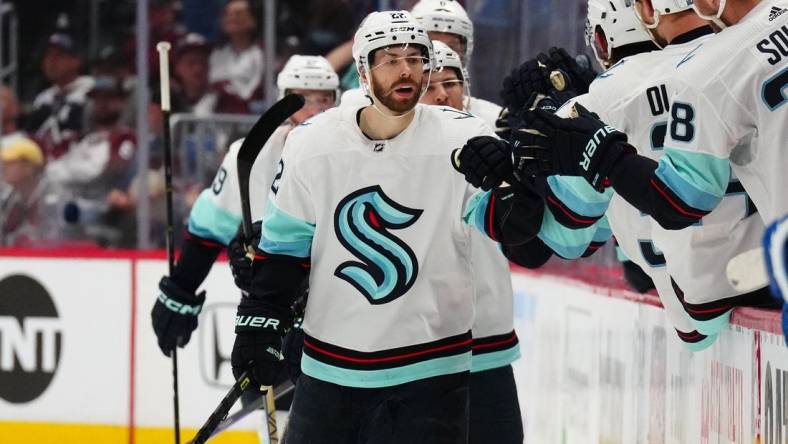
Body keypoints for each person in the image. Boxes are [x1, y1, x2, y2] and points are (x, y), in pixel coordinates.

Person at [229, 11, 543, 443]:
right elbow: (285, 250)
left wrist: (516, 187)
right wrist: (259, 321)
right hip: (332, 369)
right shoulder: (312, 143)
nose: (406, 70)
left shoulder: (464, 137)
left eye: (416, 58)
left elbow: (519, 233)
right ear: (361, 69)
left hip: (433, 370)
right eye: (390, 59)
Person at [508, 0, 787, 336]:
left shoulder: (707, 72)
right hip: (766, 274)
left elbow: (559, 241)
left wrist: (526, 149)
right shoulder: (714, 60)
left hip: (709, 298)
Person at [151, 54, 340, 358]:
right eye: (300, 100)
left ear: (337, 101)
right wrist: (181, 288)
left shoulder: (353, 155)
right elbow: (209, 230)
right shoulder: (252, 154)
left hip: (336, 317)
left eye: (323, 99)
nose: (312, 110)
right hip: (268, 314)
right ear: (282, 101)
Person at [419, 40, 523, 443]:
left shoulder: (491, 134)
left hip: (487, 340)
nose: (444, 93)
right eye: (432, 85)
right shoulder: (386, 149)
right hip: (413, 351)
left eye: (452, 82)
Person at [411, 0, 503, 125]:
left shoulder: (495, 121)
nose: (441, 53)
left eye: (452, 47)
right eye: (431, 46)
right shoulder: (389, 121)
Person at [27, 31, 94, 160]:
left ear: (76, 61)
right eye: (47, 56)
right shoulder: (43, 98)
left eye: (58, 56)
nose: (51, 62)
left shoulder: (91, 90)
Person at [209, 0, 265, 114]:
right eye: (228, 14)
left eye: (238, 13)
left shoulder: (262, 53)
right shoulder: (217, 53)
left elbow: (251, 93)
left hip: (250, 117)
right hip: (220, 117)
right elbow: (213, 86)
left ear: (252, 20)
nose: (231, 18)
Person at [0, 136, 53, 246]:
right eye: (4, 163)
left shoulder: (51, 197)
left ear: (28, 167)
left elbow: (53, 239)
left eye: (11, 163)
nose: (4, 168)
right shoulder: (9, 197)